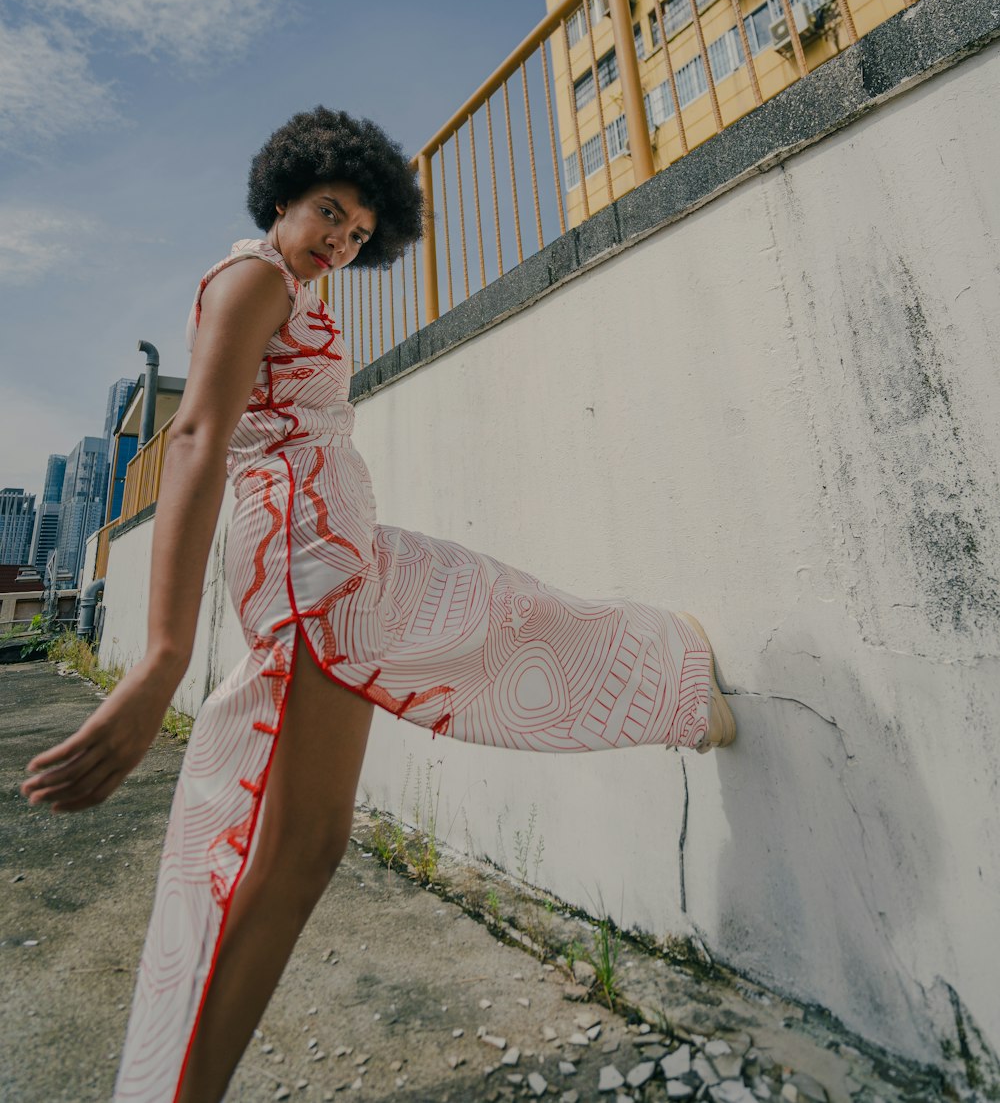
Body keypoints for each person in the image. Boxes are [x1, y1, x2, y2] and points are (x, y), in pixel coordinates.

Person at [22, 107, 735, 1103]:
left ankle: (675, 685)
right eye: (328, 212)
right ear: (282, 196)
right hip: (309, 569)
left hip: (341, 556)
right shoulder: (252, 280)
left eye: (358, 232)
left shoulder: (289, 289)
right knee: (299, 844)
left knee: (482, 623)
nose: (340, 241)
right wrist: (162, 657)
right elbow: (193, 439)